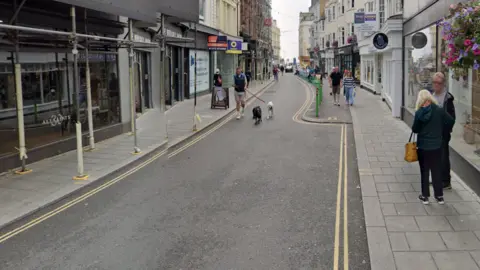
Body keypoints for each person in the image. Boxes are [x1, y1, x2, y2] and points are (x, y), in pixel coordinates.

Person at [412, 90, 455, 205]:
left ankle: (425, 197)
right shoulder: (439, 110)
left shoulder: (419, 113)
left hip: (423, 147)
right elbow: (450, 121)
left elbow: (415, 129)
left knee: (424, 171)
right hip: (437, 146)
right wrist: (442, 131)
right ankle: (439, 196)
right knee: (437, 170)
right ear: (430, 98)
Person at [430, 72, 455, 190]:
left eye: (438, 83)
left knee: (443, 156)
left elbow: (451, 118)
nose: (436, 85)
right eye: (434, 82)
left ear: (443, 84)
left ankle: (446, 181)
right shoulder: (431, 96)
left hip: (443, 133)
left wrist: (445, 129)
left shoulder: (447, 98)